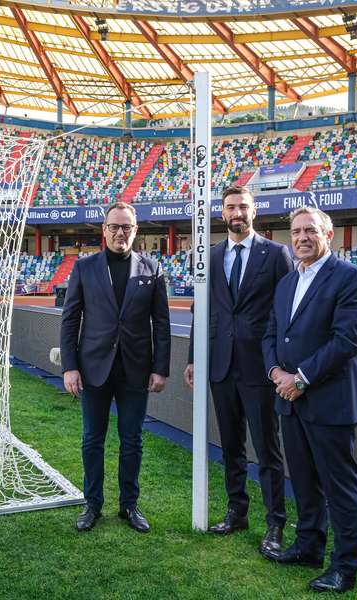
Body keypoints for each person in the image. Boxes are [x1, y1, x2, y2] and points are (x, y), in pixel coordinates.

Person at [261, 206, 357, 594]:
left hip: (328, 401)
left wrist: (301, 378)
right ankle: (308, 547)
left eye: (310, 230)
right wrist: (275, 372)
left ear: (329, 234)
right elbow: (271, 334)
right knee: (305, 482)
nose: (302, 237)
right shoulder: (288, 282)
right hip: (288, 398)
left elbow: (346, 341)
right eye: (296, 232)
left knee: (339, 487)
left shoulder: (351, 278)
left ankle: (345, 567)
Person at [184, 185, 293, 553]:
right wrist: (193, 357)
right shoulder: (211, 256)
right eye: (231, 207)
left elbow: (287, 311)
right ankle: (237, 511)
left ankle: (275, 523)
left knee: (267, 450)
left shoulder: (277, 254)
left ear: (254, 211)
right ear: (222, 213)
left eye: (243, 207)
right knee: (231, 446)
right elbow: (203, 310)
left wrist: (281, 363)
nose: (237, 213)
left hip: (260, 369)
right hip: (220, 365)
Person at [60, 201, 171, 534]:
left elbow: (161, 324)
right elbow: (70, 320)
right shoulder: (84, 267)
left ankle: (128, 505)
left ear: (135, 230)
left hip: (136, 370)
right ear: (103, 230)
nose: (120, 232)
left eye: (127, 227)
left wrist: (160, 368)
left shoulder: (152, 268)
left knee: (132, 440)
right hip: (94, 367)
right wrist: (70, 367)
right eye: (114, 226)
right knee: (92, 439)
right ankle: (92, 504)